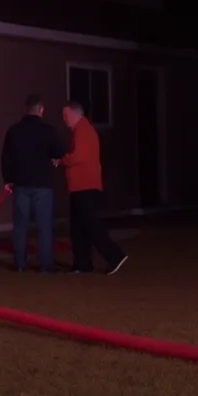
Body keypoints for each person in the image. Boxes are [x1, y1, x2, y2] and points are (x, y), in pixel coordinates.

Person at [57, 101, 128, 275]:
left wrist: (62, 160)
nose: (64, 119)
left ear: (75, 114)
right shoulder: (81, 131)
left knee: (90, 224)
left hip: (84, 186)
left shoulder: (83, 131)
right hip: (79, 187)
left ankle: (114, 256)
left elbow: (78, 156)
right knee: (79, 227)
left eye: (66, 115)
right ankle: (82, 263)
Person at [1, 94, 67, 272]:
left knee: (20, 226)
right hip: (42, 185)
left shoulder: (14, 131)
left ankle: (20, 264)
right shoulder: (48, 131)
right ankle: (45, 265)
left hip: (21, 184)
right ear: (41, 110)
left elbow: (6, 158)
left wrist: (8, 179)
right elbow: (59, 151)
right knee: (44, 227)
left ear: (25, 109)